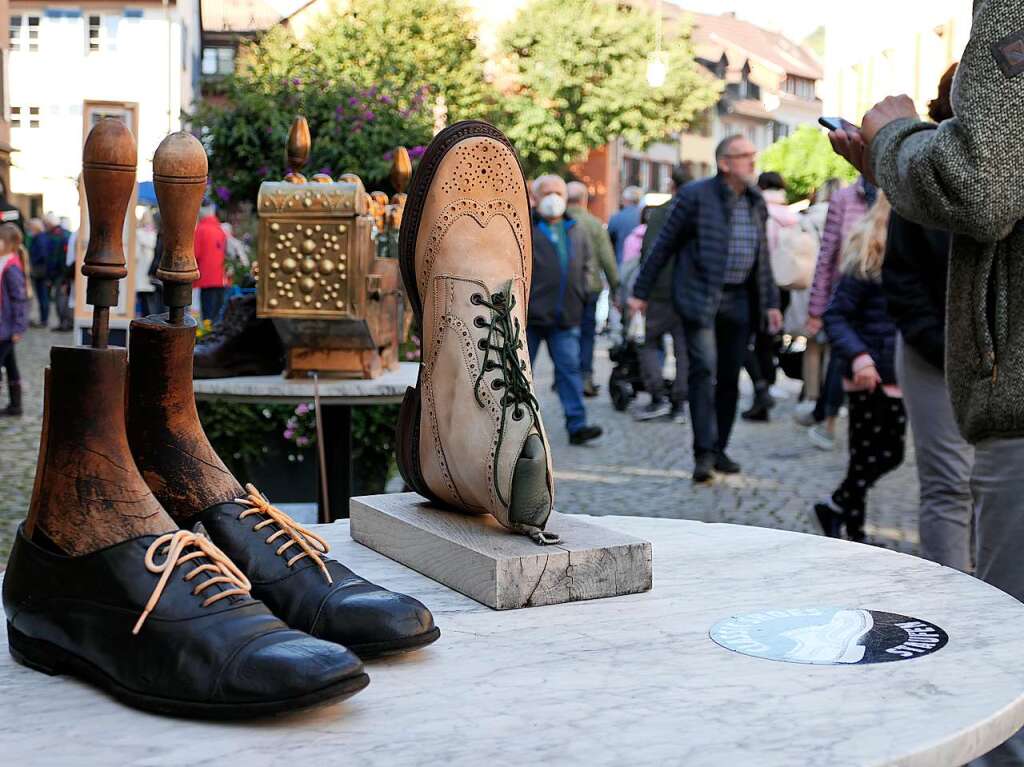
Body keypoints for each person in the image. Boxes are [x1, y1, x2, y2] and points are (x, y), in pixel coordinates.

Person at [630, 136, 782, 483]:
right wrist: (641, 292)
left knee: (729, 377)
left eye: (752, 154)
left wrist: (771, 302)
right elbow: (663, 246)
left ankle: (720, 448)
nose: (752, 161)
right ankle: (703, 453)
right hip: (700, 298)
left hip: (741, 300)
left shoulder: (756, 200)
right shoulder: (695, 196)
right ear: (724, 163)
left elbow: (763, 258)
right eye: (744, 156)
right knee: (702, 370)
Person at [880, 64, 973, 574]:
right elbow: (901, 275)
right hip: (932, 351)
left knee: (994, 482)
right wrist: (940, 343)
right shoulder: (926, 165)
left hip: (994, 354)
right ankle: (957, 595)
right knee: (949, 482)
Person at [816, 194, 903, 543]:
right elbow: (836, 315)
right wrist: (860, 358)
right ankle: (850, 524)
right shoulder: (869, 251)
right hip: (869, 372)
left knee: (881, 453)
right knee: (873, 453)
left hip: (894, 372)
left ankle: (842, 516)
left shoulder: (911, 254)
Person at [803, 176, 878, 450]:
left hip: (886, 297)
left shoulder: (899, 188)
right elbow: (827, 255)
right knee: (842, 357)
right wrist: (816, 307)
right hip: (847, 295)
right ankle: (830, 421)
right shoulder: (845, 198)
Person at [528, 175, 602, 446]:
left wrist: (582, 293)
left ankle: (577, 424)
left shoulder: (575, 228)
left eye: (558, 192)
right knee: (522, 374)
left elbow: (587, 264)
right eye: (546, 192)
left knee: (570, 370)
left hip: (566, 315)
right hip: (531, 317)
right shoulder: (526, 227)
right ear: (535, 197)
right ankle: (517, 427)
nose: (553, 198)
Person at [633, 165, 692, 423]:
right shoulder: (696, 210)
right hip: (687, 291)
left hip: (658, 291)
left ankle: (658, 396)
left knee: (647, 343)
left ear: (671, 185)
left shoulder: (658, 214)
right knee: (683, 350)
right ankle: (679, 403)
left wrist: (641, 291)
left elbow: (648, 252)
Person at [742, 171, 797, 422]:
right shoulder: (791, 216)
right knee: (769, 339)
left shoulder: (758, 209)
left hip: (758, 284)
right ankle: (767, 386)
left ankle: (761, 389)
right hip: (784, 284)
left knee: (746, 340)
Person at [792, 178, 842, 421]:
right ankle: (832, 398)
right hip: (837, 286)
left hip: (809, 286)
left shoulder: (807, 218)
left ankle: (811, 397)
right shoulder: (847, 214)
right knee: (835, 347)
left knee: (812, 346)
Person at [566, 181, 619, 399]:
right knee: (587, 334)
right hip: (590, 287)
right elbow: (607, 258)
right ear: (584, 200)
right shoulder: (594, 224)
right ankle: (585, 377)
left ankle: (566, 377)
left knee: (565, 334)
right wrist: (616, 287)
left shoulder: (558, 223)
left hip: (565, 289)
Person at [0, 223, 29, 416]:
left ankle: (16, 404)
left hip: (6, 327)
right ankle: (16, 406)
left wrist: (18, 328)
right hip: (4, 326)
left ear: (8, 243)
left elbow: (19, 299)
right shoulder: (4, 262)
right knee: (10, 365)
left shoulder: (11, 267)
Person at [194, 203, 228, 323]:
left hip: (205, 277)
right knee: (217, 314)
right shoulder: (220, 230)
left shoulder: (201, 229)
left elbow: (195, 253)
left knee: (207, 315)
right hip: (220, 278)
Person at [607, 185, 643, 266]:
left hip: (622, 264)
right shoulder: (644, 216)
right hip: (640, 264)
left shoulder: (616, 218)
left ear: (626, 200)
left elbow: (608, 242)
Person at [136, 209, 158, 317]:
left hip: (148, 271)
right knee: (146, 302)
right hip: (143, 271)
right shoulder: (140, 234)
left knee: (149, 302)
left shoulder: (143, 234)